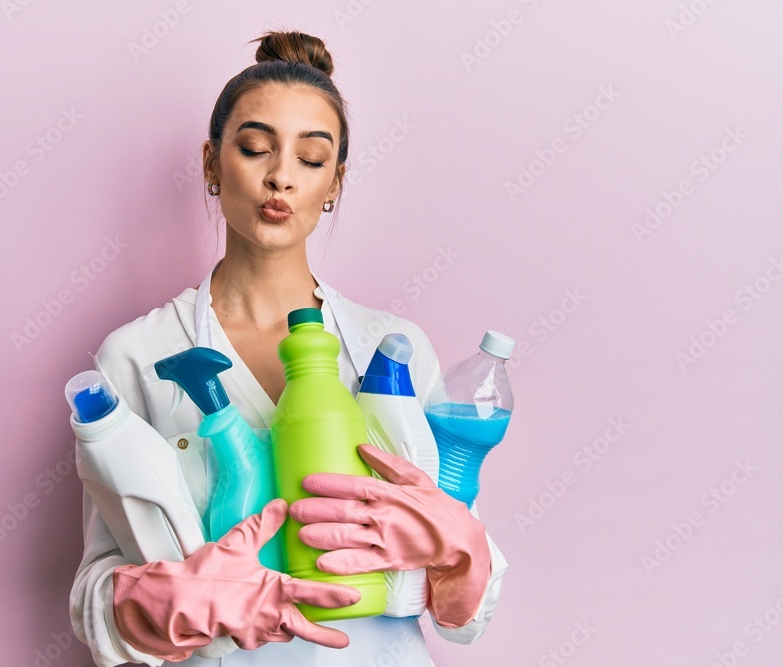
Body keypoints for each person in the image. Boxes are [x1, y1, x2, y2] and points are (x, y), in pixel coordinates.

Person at [69, 29, 509, 667]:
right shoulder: (138, 355)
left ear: (335, 181)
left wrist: (460, 550)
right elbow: (91, 598)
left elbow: (466, 618)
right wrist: (171, 600)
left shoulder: (393, 349)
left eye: (311, 158)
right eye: (254, 149)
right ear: (212, 164)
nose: (280, 176)